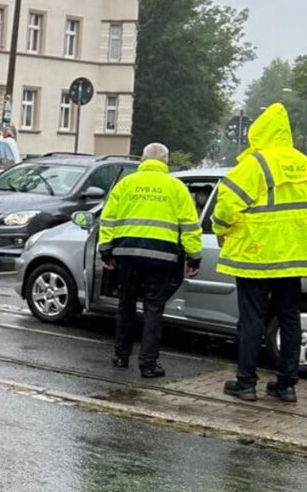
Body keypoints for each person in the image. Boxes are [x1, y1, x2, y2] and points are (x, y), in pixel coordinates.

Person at [212, 103, 307, 403]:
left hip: (256, 255)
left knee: (252, 319)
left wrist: (220, 228)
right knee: (290, 318)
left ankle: (246, 382)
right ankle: (287, 385)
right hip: (292, 256)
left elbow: (228, 202)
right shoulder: (303, 162)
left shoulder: (255, 164)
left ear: (260, 132)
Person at [98, 142, 202, 378]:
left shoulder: (126, 184)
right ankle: (148, 364)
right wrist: (194, 258)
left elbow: (108, 219)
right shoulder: (176, 187)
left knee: (126, 304)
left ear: (142, 161)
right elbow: (190, 226)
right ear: (165, 162)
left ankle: (121, 356)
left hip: (127, 255)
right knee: (153, 309)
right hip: (161, 257)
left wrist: (106, 251)